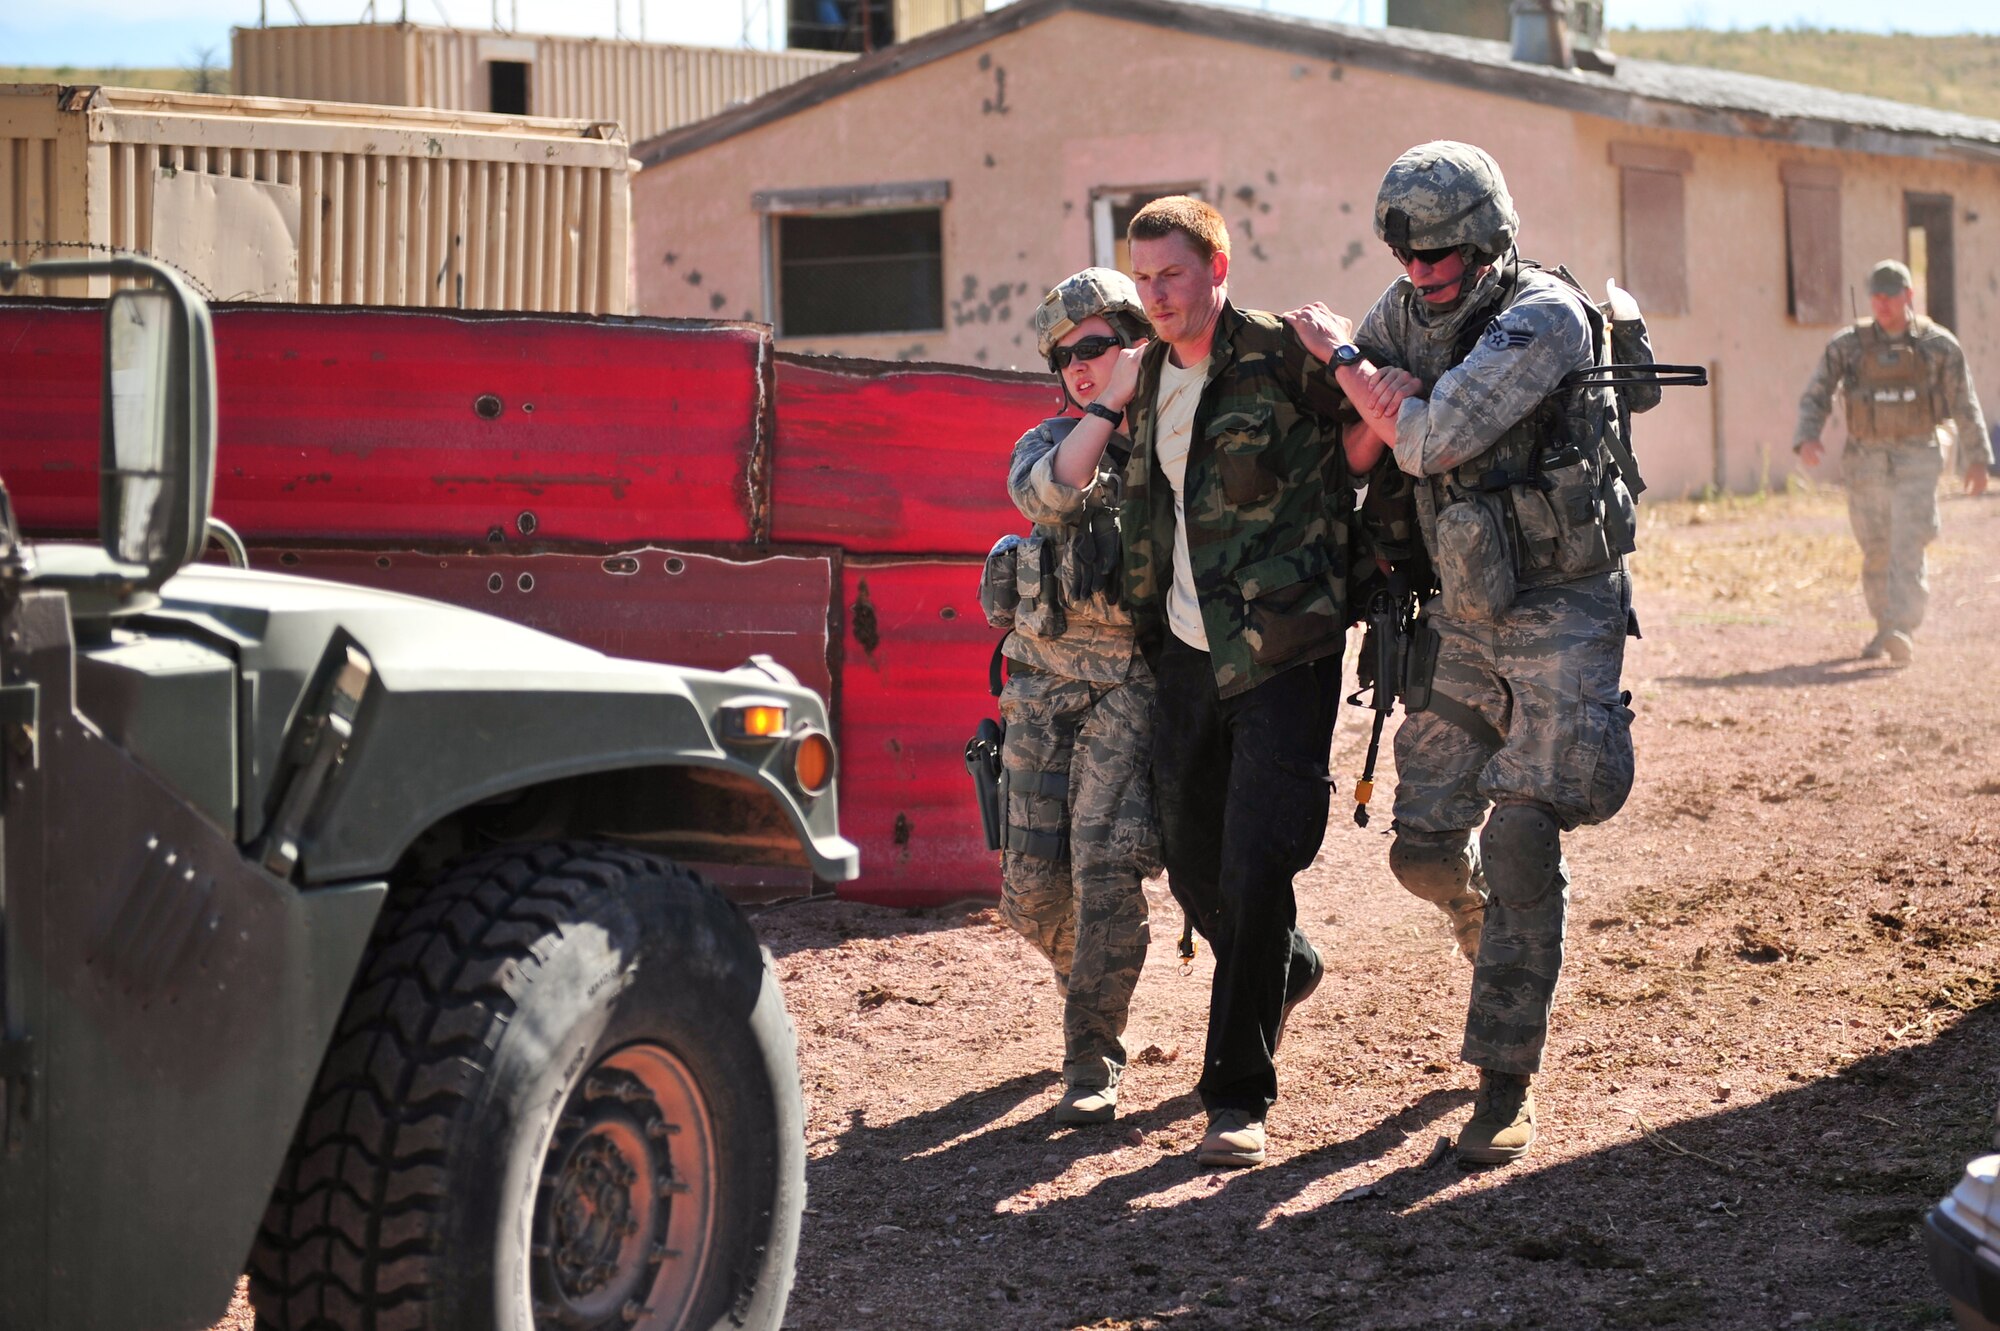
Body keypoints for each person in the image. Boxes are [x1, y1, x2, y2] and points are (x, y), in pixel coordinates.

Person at [1289, 141, 1642, 1166]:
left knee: (1525, 835)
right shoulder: (1400, 311)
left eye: (1437, 251)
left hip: (1558, 602)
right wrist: (1374, 397)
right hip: (1454, 603)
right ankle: (1491, 931)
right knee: (1422, 849)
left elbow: (1430, 438)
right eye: (1403, 250)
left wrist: (1356, 372)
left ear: (1486, 241)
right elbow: (1354, 452)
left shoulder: (1543, 316)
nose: (1416, 270)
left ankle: (1502, 1076)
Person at [1114, 196, 1367, 1168]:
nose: (1155, 295)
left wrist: (1332, 550)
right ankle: (1287, 965)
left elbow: (1375, 424)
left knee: (1257, 863)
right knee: (1192, 863)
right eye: (1141, 279)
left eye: (1170, 275)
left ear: (1217, 267)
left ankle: (1236, 1094)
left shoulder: (1279, 350)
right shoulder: (1142, 376)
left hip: (1279, 645)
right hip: (1181, 648)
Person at [980, 268, 1161, 1125]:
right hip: (1040, 690)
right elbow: (1046, 494)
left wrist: (1132, 407)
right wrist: (1100, 410)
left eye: (1096, 347)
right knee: (1027, 894)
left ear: (1131, 339)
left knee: (1104, 873)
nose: (1080, 366)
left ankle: (1092, 1053)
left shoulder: (1171, 440)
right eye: (1065, 356)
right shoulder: (1049, 438)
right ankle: (1093, 974)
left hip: (1127, 691)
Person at [1794, 259, 1991, 664]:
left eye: (1891, 297)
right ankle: (1885, 626)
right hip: (1865, 462)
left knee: (1908, 542)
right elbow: (1818, 392)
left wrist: (1978, 458)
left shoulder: (1938, 345)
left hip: (1918, 458)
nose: (1883, 305)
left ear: (1909, 296)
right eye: (1877, 297)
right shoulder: (1848, 345)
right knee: (1876, 547)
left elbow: (1964, 403)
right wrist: (1807, 436)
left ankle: (1902, 627)